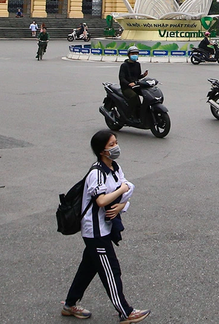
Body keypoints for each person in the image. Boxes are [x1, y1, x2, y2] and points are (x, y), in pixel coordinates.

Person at [61, 130, 150, 323]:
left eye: (116, 142)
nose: (116, 147)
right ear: (101, 151)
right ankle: (125, 312)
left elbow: (128, 189)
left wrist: (122, 205)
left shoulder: (115, 167)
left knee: (88, 267)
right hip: (95, 232)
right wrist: (122, 190)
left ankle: (70, 304)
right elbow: (101, 200)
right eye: (111, 145)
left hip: (105, 228)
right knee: (111, 270)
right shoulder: (97, 173)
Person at [118, 47, 148, 121]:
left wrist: (143, 75)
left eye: (136, 53)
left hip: (136, 85)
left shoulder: (137, 64)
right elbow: (122, 78)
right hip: (126, 87)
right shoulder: (124, 65)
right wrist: (129, 84)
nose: (134, 55)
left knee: (147, 94)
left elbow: (137, 76)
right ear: (129, 55)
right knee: (134, 96)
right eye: (132, 53)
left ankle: (143, 112)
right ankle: (131, 114)